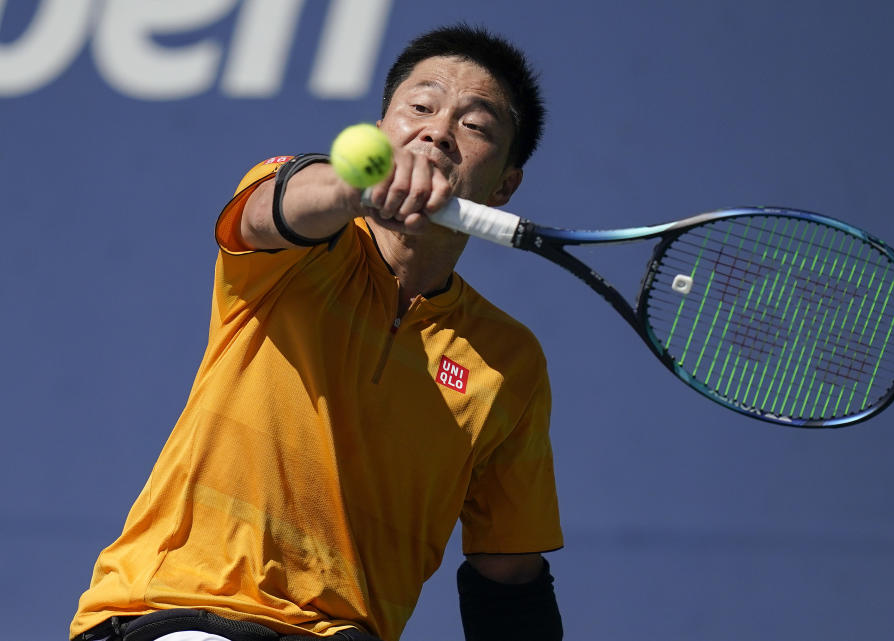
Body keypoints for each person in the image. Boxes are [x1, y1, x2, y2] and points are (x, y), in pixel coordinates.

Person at [70, 24, 563, 641]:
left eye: (476, 125)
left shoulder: (508, 362)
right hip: (183, 611)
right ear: (382, 131)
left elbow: (507, 573)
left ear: (505, 185)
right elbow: (270, 208)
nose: (437, 130)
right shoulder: (305, 245)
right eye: (420, 106)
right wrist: (354, 186)